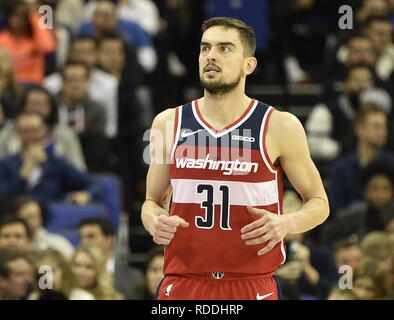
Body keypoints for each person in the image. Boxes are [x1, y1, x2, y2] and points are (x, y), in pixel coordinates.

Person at [141, 17, 329, 300]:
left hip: (251, 283)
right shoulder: (167, 122)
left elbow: (320, 203)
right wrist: (154, 220)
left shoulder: (280, 125)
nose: (211, 56)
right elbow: (150, 203)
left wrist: (286, 223)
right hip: (183, 281)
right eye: (205, 48)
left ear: (248, 65)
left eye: (225, 48)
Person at [0, 112, 102, 206]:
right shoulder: (6, 164)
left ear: (43, 131)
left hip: (49, 213)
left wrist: (86, 195)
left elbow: (94, 184)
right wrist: (24, 174)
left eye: (35, 130)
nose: (30, 135)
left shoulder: (56, 163)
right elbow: (3, 195)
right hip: (13, 214)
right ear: (17, 133)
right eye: (25, 131)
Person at [0, 85, 87, 171]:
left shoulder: (65, 133)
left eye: (42, 104)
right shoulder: (7, 133)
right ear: (24, 106)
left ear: (51, 108)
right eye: (33, 104)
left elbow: (78, 169)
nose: (37, 109)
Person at [328, 103, 394, 216]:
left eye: (384, 126)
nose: (383, 132)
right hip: (350, 228)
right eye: (376, 126)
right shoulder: (341, 167)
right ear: (359, 130)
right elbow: (337, 209)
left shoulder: (392, 163)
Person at [78, 217, 143, 299]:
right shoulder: (72, 275)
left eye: (91, 237)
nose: (84, 243)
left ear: (110, 239)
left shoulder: (134, 277)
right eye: (81, 237)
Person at [0, 0, 56, 85]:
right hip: (9, 86)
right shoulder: (2, 39)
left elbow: (49, 47)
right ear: (9, 17)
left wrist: (34, 15)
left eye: (22, 17)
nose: (18, 20)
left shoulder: (35, 38)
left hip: (33, 85)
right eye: (14, 16)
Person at [29, 248, 94, 300]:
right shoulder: (34, 297)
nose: (47, 279)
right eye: (42, 274)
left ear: (63, 270)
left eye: (52, 271)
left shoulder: (83, 297)